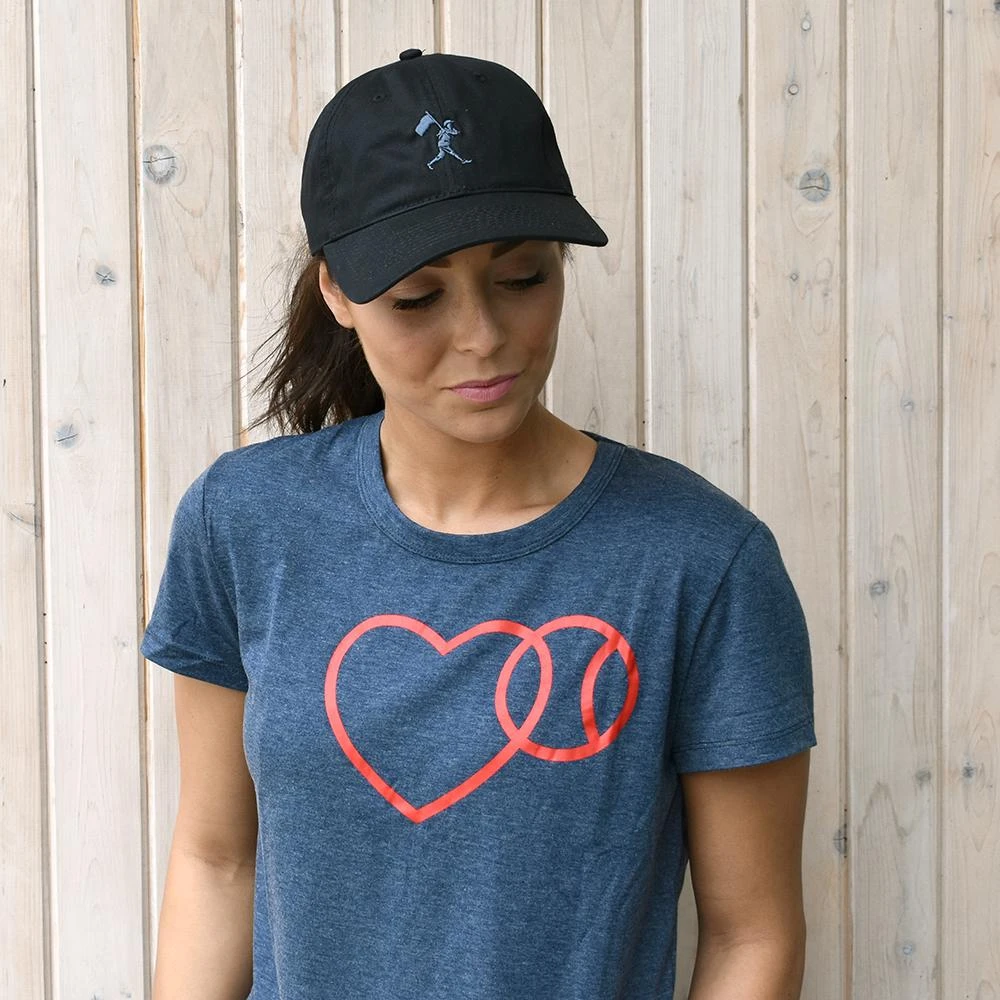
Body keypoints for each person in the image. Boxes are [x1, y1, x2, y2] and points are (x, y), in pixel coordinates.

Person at [141, 49, 816, 1000]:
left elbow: (752, 933)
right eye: (418, 298)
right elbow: (218, 861)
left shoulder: (701, 561)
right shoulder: (245, 522)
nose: (483, 337)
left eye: (522, 278)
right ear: (336, 293)